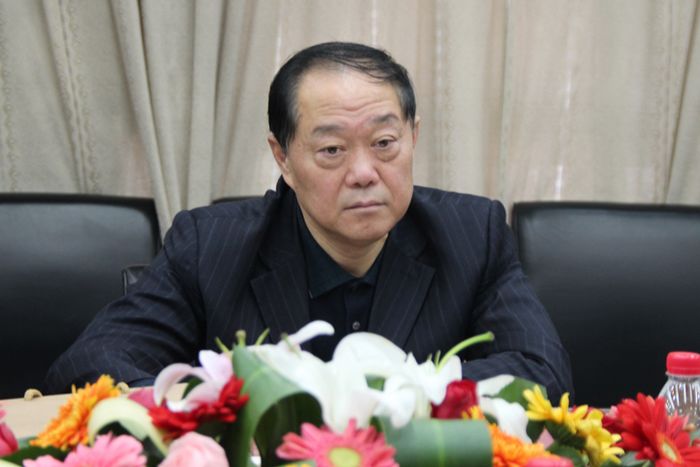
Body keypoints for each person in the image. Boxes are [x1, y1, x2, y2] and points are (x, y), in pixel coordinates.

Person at [45, 42, 573, 400]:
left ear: (413, 136)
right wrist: (224, 408)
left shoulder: (472, 234)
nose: (363, 173)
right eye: (332, 150)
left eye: (385, 143)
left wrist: (386, 393)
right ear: (283, 157)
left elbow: (542, 372)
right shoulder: (210, 246)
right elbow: (90, 363)